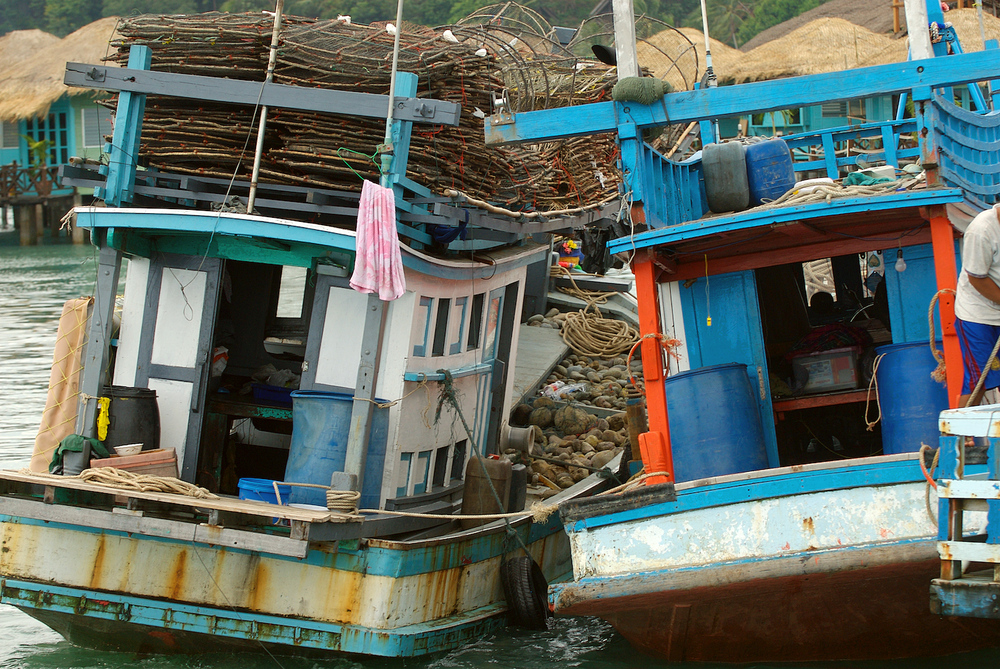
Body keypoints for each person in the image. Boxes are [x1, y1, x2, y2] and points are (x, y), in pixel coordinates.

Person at [954, 203, 1000, 407]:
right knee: (978, 380)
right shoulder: (982, 230)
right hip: (978, 314)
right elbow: (977, 278)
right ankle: (958, 436)